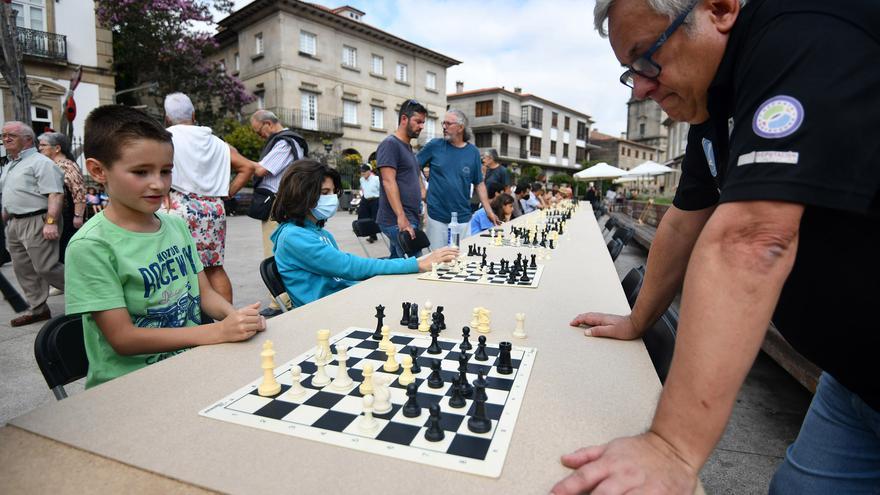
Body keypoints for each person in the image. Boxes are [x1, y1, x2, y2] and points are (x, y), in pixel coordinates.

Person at [552, 1, 880, 494]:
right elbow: (686, 220)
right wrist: (638, 319)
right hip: (854, 376)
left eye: (646, 57)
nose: (640, 85)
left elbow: (754, 237)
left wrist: (671, 446)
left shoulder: (801, 30)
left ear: (721, 8)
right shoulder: (711, 97)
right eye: (630, 72)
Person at [65, 105, 266, 389]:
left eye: (166, 171)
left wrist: (235, 318)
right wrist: (218, 331)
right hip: (129, 385)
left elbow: (204, 293)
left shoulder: (176, 225)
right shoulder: (91, 246)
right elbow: (124, 339)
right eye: (141, 172)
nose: (158, 184)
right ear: (98, 170)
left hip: (192, 364)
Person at [271, 160, 458, 307]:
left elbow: (346, 273)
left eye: (332, 192)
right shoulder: (292, 237)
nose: (331, 198)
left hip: (343, 299)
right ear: (301, 193)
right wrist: (416, 263)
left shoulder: (321, 233)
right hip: (324, 312)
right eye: (324, 192)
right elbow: (349, 267)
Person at [162, 92, 256, 303]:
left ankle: (185, 316)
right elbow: (248, 167)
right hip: (213, 207)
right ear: (193, 114)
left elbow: (158, 171)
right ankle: (228, 318)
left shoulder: (164, 138)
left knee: (176, 266)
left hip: (178, 205)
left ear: (167, 117)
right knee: (214, 268)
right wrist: (227, 192)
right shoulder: (215, 141)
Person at [0, 121, 65, 326]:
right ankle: (38, 309)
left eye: (11, 135)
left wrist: (51, 223)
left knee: (46, 267)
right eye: (3, 135)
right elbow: (11, 196)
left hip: (39, 219)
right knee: (23, 269)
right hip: (15, 223)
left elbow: (55, 193)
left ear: (28, 139)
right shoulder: (10, 164)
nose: (5, 138)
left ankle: (92, 293)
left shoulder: (41, 162)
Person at [250, 109, 308, 316]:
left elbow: (261, 170)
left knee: (274, 253)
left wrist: (237, 159)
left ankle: (281, 303)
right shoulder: (292, 142)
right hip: (287, 204)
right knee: (287, 252)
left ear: (268, 123)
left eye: (259, 131)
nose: (260, 136)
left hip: (276, 205)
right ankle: (290, 298)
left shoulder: (284, 143)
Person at [419, 109, 497, 250]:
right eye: (444, 123)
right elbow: (413, 165)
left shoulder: (472, 152)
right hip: (437, 217)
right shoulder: (434, 146)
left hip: (463, 218)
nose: (444, 127)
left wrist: (489, 211)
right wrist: (422, 189)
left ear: (461, 128)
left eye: (448, 124)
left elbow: (479, 183)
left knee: (459, 263)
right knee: (437, 262)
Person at [376, 99, 428, 258]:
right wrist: (401, 217)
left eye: (423, 122)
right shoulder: (390, 144)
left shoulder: (408, 147)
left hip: (410, 217)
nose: (421, 126)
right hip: (397, 220)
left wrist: (422, 190)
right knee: (416, 265)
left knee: (396, 265)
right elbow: (388, 181)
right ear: (404, 119)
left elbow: (415, 172)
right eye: (418, 121)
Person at [37, 132, 86, 264]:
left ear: (57, 148)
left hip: (67, 216)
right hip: (58, 215)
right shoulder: (51, 165)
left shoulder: (66, 165)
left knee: (66, 251)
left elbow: (79, 191)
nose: (39, 148)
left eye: (43, 145)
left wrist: (78, 216)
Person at [357, 164, 380, 243]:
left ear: (369, 171)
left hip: (375, 200)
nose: (362, 173)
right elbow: (363, 189)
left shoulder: (376, 179)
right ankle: (369, 234)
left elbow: (381, 190)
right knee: (363, 216)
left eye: (364, 172)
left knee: (374, 218)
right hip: (366, 199)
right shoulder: (361, 180)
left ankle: (373, 235)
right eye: (361, 172)